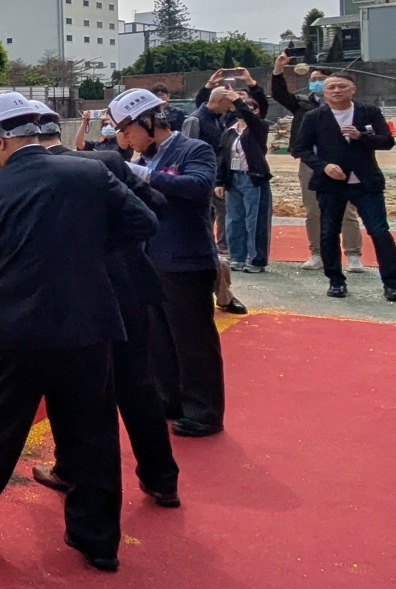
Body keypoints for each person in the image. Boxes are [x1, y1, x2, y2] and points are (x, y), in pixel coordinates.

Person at [0, 92, 157, 573]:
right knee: (92, 433)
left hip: (16, 331)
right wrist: (82, 253)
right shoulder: (90, 173)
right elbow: (143, 221)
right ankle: (99, 541)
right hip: (88, 324)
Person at [29, 101, 183, 509]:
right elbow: (156, 207)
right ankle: (161, 477)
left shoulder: (25, 176)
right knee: (139, 385)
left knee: (73, 392)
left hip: (76, 299)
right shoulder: (107, 161)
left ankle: (71, 469)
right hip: (129, 286)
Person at [109, 88, 226, 437]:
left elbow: (198, 186)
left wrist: (144, 176)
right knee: (158, 338)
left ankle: (203, 410)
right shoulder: (142, 159)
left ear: (148, 122)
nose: (127, 141)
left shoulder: (194, 149)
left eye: (128, 132)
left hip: (186, 260)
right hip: (150, 259)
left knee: (193, 341)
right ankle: (169, 398)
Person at [290, 72, 396, 301]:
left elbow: (387, 141)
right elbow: (301, 148)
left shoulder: (369, 112)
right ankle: (336, 281)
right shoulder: (314, 117)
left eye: (342, 87)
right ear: (324, 93)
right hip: (331, 183)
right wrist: (324, 166)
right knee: (328, 232)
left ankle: (391, 283)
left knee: (379, 231)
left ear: (352, 89)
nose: (337, 91)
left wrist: (361, 137)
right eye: (331, 88)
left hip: (366, 181)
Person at [272, 55, 361, 271]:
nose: (316, 82)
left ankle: (353, 253)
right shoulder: (303, 105)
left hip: (343, 163)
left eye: (320, 78)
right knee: (313, 210)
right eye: (313, 79)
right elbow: (280, 94)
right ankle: (317, 253)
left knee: (347, 210)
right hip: (311, 163)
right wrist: (278, 70)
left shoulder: (350, 108)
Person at [216, 92, 272, 276]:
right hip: (234, 178)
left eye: (251, 107)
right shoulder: (229, 131)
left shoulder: (259, 128)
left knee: (254, 220)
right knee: (234, 219)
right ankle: (237, 257)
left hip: (253, 178)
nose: (245, 110)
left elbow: (250, 118)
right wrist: (220, 181)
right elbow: (223, 157)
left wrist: (238, 100)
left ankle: (256, 259)